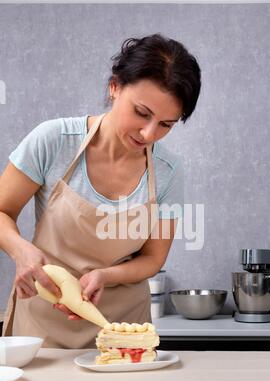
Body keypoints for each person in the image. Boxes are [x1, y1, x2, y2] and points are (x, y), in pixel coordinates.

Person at [0, 33, 201, 348]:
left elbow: (152, 258)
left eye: (166, 124)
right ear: (115, 87)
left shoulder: (168, 173)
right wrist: (21, 251)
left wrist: (106, 276)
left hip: (123, 330)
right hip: (43, 328)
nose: (149, 133)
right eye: (142, 113)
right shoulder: (53, 141)